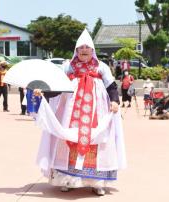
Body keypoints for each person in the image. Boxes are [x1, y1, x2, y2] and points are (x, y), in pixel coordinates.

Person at [34, 29, 126, 196]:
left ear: (93, 50)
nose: (84, 50)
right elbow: (57, 86)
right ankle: (67, 180)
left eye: (87, 47)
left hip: (96, 112)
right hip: (70, 113)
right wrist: (44, 93)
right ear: (76, 50)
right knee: (68, 140)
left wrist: (114, 101)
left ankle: (96, 182)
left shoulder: (102, 67)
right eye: (81, 47)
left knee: (97, 141)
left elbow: (111, 87)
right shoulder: (67, 66)